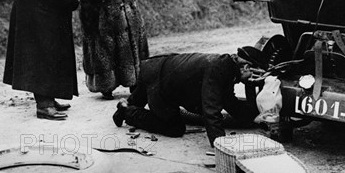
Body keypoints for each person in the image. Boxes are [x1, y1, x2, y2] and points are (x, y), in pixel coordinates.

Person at [112, 47, 267, 146]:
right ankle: (126, 111)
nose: (251, 79)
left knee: (138, 100)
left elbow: (231, 104)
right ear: (246, 67)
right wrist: (221, 144)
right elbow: (211, 109)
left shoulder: (226, 66)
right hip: (160, 82)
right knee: (174, 128)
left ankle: (123, 108)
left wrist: (255, 116)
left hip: (156, 70)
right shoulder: (219, 69)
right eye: (254, 75)